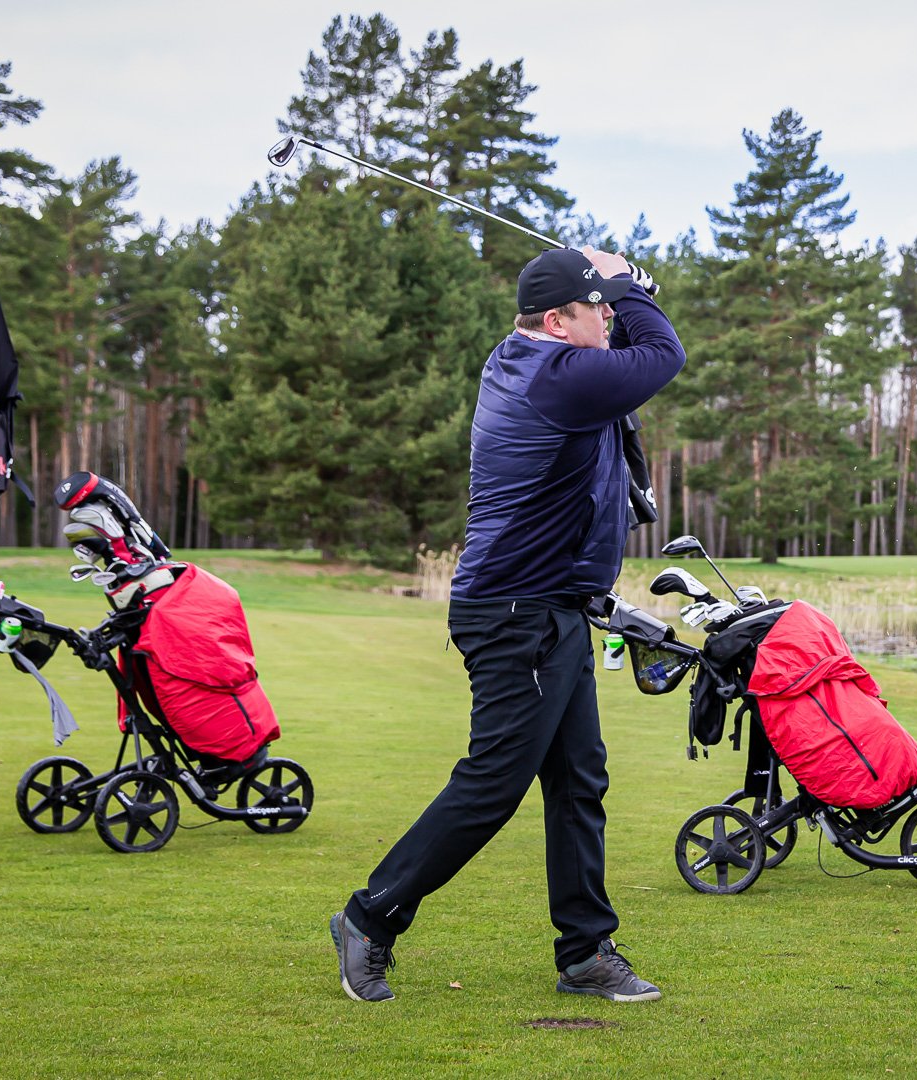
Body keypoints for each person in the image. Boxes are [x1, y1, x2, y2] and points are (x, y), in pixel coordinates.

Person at [331, 246, 684, 1003]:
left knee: (578, 779)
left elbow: (625, 352)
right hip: (517, 609)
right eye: (598, 310)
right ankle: (370, 917)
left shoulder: (534, 358)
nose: (611, 319)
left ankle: (586, 952)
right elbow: (662, 354)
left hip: (550, 606)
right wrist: (630, 282)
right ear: (559, 320)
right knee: (495, 781)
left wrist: (612, 288)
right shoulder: (557, 376)